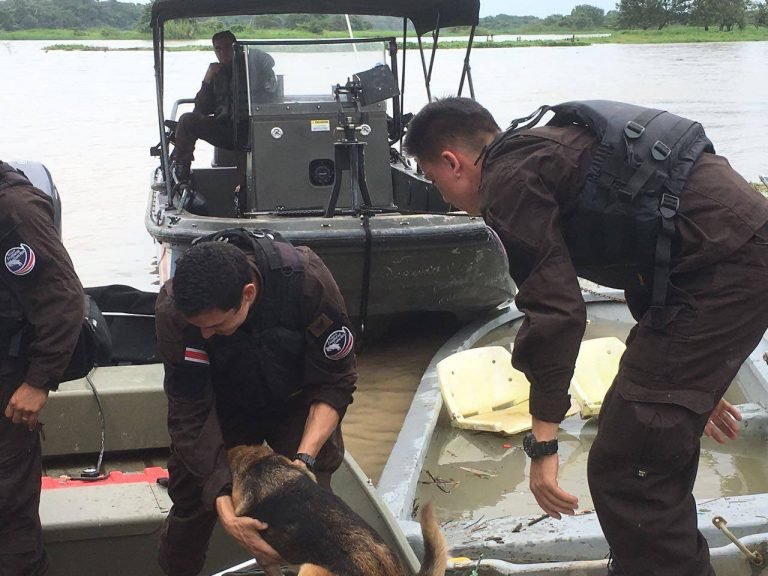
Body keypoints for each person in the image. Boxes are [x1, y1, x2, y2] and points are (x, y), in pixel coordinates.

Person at [404, 97, 768, 576]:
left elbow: (555, 312)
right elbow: (647, 249)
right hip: (730, 252)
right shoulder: (543, 149)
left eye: (433, 180)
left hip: (724, 270)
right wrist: (697, 377)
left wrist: (543, 443)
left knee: (629, 470)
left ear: (452, 162)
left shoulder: (506, 183)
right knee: (639, 432)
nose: (445, 197)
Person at [155, 229, 358, 576]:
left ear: (247, 294)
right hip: (223, 408)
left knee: (316, 502)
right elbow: (189, 411)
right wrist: (222, 500)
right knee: (192, 497)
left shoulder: (307, 282)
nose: (205, 335)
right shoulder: (175, 312)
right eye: (198, 328)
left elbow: (334, 381)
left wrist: (304, 460)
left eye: (216, 325)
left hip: (293, 403)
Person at [0, 161, 85, 576]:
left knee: (8, 509)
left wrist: (39, 381)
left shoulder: (15, 210)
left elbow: (64, 300)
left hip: (7, 386)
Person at [172, 30, 276, 185]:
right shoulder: (216, 73)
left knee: (246, 179)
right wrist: (207, 79)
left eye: (227, 47)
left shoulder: (253, 66)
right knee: (187, 120)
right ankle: (181, 173)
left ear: (236, 47)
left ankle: (243, 195)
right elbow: (203, 108)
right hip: (224, 128)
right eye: (218, 48)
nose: (222, 52)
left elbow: (270, 88)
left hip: (251, 130)